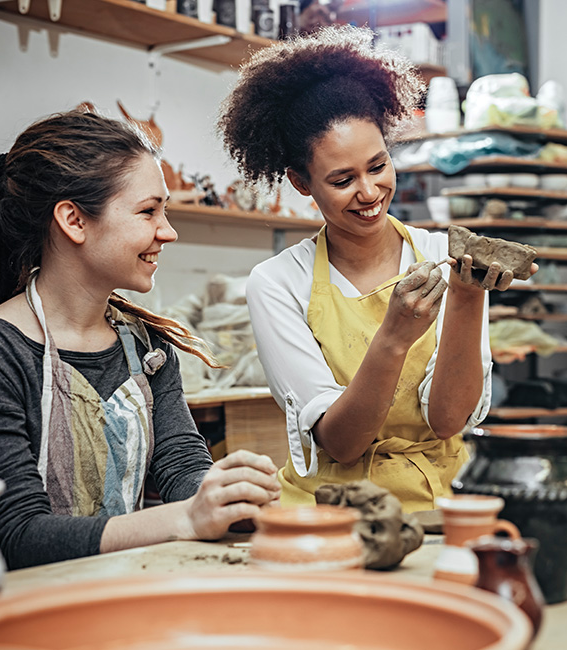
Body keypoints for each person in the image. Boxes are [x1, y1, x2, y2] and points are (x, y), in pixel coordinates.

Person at [0, 111, 280, 570]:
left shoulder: (146, 346)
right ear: (74, 220)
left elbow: (180, 466)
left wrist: (227, 495)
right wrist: (189, 518)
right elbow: (14, 534)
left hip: (118, 592)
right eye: (148, 211)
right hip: (19, 614)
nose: (168, 231)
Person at [217, 26, 536, 512]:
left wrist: (468, 297)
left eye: (378, 165)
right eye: (343, 179)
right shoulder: (280, 282)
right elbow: (343, 443)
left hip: (439, 501)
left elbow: (449, 421)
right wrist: (393, 337)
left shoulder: (441, 255)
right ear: (302, 183)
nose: (369, 192)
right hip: (331, 511)